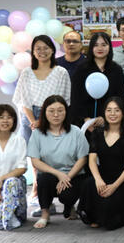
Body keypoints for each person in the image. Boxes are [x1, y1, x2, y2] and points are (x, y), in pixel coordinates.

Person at [27, 95, 90, 229]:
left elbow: (83, 158)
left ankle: (69, 205)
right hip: (50, 175)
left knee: (68, 194)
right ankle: (45, 214)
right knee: (43, 179)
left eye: (60, 110)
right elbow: (35, 161)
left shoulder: (76, 132)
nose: (56, 114)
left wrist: (67, 176)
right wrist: (58, 174)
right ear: (44, 112)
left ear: (66, 112)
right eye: (51, 111)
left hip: (73, 175)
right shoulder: (37, 133)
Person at [79, 97, 124, 230]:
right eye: (109, 110)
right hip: (103, 177)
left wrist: (114, 186)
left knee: (110, 219)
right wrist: (98, 180)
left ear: (123, 113)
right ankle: (95, 216)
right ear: (104, 113)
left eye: (117, 110)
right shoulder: (97, 133)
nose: (112, 114)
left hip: (123, 181)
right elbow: (92, 160)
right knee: (89, 183)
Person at [13, 34, 71, 142]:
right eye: (38, 49)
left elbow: (63, 101)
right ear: (33, 52)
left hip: (53, 118)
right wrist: (33, 122)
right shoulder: (26, 72)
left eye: (46, 48)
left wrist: (42, 120)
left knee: (50, 150)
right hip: (29, 118)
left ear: (52, 50)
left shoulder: (61, 72)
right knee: (26, 150)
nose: (42, 51)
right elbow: (24, 100)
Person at [70, 32, 124, 128]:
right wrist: (85, 119)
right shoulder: (81, 69)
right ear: (91, 47)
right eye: (96, 45)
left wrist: (105, 117)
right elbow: (75, 97)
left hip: (110, 121)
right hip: (84, 123)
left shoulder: (116, 70)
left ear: (109, 47)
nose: (100, 48)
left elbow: (120, 97)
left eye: (104, 45)